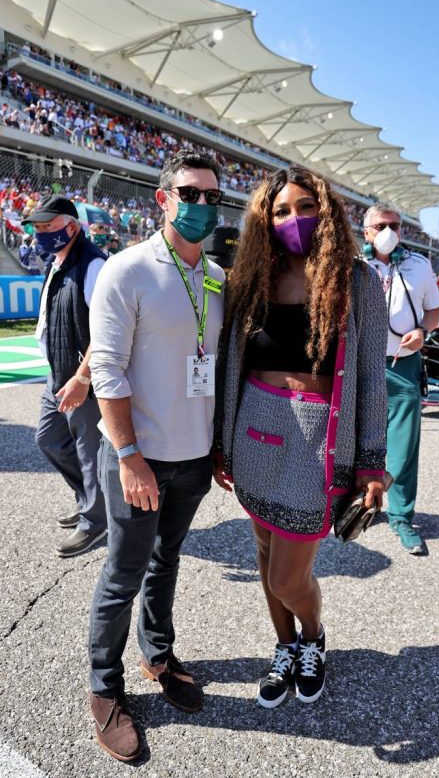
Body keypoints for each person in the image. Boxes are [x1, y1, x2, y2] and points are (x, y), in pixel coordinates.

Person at [213, 165, 388, 710]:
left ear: (327, 210)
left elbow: (372, 378)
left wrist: (371, 463)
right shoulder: (252, 278)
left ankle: (312, 636)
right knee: (266, 559)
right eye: (282, 210)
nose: (295, 219)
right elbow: (231, 366)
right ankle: (284, 646)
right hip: (255, 433)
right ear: (265, 219)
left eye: (306, 207)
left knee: (290, 576)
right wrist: (223, 442)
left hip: (318, 444)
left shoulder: (357, 280)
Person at [88, 150, 225, 761]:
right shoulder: (128, 269)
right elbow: (107, 370)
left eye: (209, 196)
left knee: (166, 562)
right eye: (187, 192)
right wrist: (127, 454)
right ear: (162, 197)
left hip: (193, 458)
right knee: (123, 573)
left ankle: (158, 654)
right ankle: (103, 687)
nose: (199, 205)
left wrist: (216, 447)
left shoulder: (217, 278)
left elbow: (219, 367)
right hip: (138, 458)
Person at [27, 196, 108, 556]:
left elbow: (106, 330)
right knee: (49, 440)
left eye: (48, 227)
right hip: (57, 373)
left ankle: (96, 521)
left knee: (88, 451)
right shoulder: (57, 261)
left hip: (81, 380)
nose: (40, 234)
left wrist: (82, 378)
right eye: (37, 228)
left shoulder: (93, 266)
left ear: (72, 227)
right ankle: (89, 499)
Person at [362, 202, 439, 554]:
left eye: (394, 224)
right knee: (354, 438)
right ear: (366, 232)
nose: (389, 231)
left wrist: (424, 331)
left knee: (404, 445)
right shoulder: (353, 266)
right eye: (381, 225)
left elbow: (434, 310)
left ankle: (401, 516)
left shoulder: (419, 265)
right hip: (361, 363)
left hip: (403, 364)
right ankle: (360, 501)